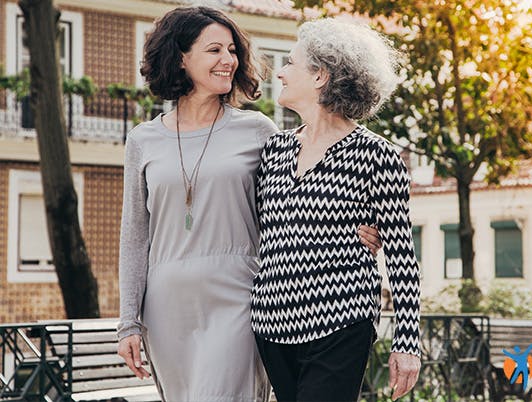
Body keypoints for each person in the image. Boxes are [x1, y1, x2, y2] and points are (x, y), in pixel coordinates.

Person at [116, 7, 381, 402]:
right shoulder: (143, 141)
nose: (229, 60)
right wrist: (128, 323)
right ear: (181, 57)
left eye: (232, 50)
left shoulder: (257, 131)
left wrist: (349, 229)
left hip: (237, 296)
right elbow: (135, 237)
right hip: (167, 306)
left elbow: (302, 197)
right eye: (214, 50)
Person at [251, 18, 422, 402]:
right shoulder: (273, 150)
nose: (280, 72)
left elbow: (402, 258)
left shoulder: (376, 156)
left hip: (340, 322)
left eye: (291, 63)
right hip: (272, 324)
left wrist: (407, 342)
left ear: (320, 76)